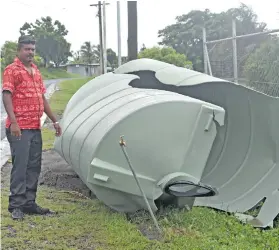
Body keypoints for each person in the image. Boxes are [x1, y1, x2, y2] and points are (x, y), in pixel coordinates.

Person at [2, 35, 62, 220]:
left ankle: (29, 203)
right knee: (20, 167)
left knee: (34, 166)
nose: (30, 53)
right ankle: (16, 206)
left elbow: (42, 98)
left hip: (35, 126)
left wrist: (54, 120)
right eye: (27, 49)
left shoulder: (35, 70)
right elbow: (6, 96)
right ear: (19, 51)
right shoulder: (12, 70)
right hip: (20, 128)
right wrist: (13, 122)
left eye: (32, 49)